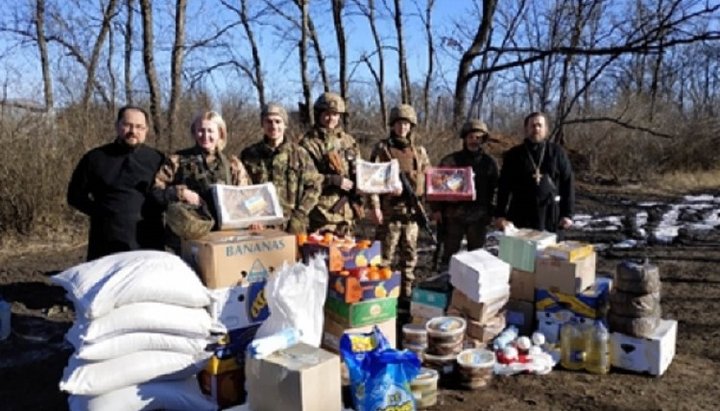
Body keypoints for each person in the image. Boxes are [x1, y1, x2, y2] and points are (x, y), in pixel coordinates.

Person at [67, 105, 165, 261]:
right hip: (106, 239)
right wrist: (101, 213)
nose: (133, 131)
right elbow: (74, 196)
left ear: (146, 130)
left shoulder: (158, 160)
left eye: (139, 127)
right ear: (117, 126)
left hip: (148, 239)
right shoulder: (94, 158)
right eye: (128, 125)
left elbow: (167, 197)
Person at [152, 111, 252, 251]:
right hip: (185, 240)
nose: (205, 136)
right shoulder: (177, 160)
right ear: (194, 132)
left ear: (220, 134)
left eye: (210, 131)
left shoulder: (232, 164)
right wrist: (180, 193)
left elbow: (247, 197)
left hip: (222, 239)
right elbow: (156, 192)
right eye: (201, 130)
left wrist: (254, 220)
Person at [368, 104, 431, 301]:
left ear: (411, 126)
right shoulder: (383, 149)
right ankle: (379, 297)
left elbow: (430, 179)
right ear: (392, 125)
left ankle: (406, 297)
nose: (402, 128)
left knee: (409, 260)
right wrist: (375, 207)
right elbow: (371, 181)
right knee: (383, 259)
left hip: (411, 215)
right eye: (399, 124)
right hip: (389, 214)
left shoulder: (419, 152)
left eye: (406, 124)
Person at [240, 103, 322, 234]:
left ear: (285, 125)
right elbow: (243, 190)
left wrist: (300, 214)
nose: (273, 126)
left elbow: (314, 186)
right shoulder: (249, 155)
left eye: (278, 121)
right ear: (262, 124)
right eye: (269, 121)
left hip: (294, 225)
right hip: (261, 225)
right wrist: (254, 217)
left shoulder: (299, 154)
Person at [431, 119, 499, 267]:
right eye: (470, 137)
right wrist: (436, 209)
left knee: (476, 257)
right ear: (465, 138)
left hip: (479, 216)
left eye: (478, 137)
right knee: (449, 255)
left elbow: (494, 189)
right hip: (453, 215)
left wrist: (492, 212)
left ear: (483, 140)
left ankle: (471, 287)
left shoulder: (489, 163)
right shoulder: (450, 160)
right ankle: (446, 283)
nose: (474, 140)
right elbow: (436, 186)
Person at [494, 112, 574, 233]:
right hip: (520, 214)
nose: (536, 128)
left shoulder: (557, 153)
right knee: (521, 250)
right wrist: (500, 214)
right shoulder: (514, 154)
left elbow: (567, 183)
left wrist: (568, 214)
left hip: (550, 214)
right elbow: (504, 186)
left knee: (549, 251)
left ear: (546, 129)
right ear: (526, 128)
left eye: (539, 125)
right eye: (532, 125)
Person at [301, 92, 363, 235]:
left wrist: (363, 184)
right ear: (319, 114)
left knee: (347, 255)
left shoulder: (348, 141)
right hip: (322, 213)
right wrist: (332, 180)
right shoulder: (309, 143)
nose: (331, 119)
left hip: (348, 213)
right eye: (327, 114)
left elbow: (359, 168)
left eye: (335, 114)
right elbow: (304, 177)